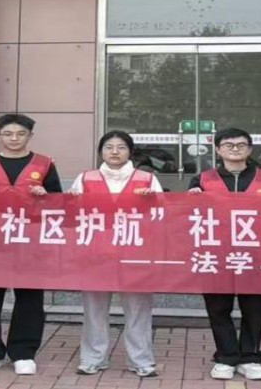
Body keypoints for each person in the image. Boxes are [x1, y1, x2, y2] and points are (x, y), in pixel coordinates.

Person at [0, 113, 62, 376]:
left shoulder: (44, 164)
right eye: (8, 134)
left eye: (20, 134)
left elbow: (58, 201)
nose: (14, 138)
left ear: (30, 136)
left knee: (29, 297)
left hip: (29, 241)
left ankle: (23, 352)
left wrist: (45, 195)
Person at [187, 127, 261, 382]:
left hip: (257, 255)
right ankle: (226, 356)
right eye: (228, 145)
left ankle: (250, 357)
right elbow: (189, 215)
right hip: (215, 254)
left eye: (241, 145)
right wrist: (190, 200)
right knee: (218, 308)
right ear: (218, 150)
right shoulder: (202, 180)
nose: (235, 149)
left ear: (250, 149)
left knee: (254, 309)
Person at [68, 130, 162, 378]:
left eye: (121, 147)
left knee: (138, 309)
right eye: (109, 147)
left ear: (130, 151)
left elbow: (162, 214)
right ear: (101, 151)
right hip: (95, 253)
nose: (114, 152)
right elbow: (72, 215)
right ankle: (92, 359)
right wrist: (73, 201)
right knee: (94, 309)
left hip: (135, 251)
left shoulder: (147, 179)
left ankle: (141, 360)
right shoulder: (85, 178)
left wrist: (153, 201)